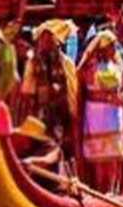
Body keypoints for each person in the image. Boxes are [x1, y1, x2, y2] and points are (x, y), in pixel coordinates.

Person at [78, 31, 123, 194]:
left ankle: (111, 188)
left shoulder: (118, 66)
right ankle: (99, 188)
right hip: (96, 114)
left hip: (113, 113)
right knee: (98, 155)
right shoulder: (91, 67)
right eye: (111, 45)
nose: (114, 48)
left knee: (113, 153)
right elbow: (83, 78)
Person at [21, 20, 80, 153]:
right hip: (40, 113)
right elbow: (27, 91)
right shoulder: (33, 62)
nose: (46, 41)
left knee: (61, 149)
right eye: (44, 37)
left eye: (50, 38)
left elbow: (72, 91)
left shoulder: (66, 63)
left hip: (61, 114)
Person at [12, 117, 64, 182]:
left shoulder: (53, 148)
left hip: (50, 188)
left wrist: (31, 160)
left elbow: (47, 160)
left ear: (31, 139)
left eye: (22, 137)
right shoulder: (24, 150)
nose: (19, 139)